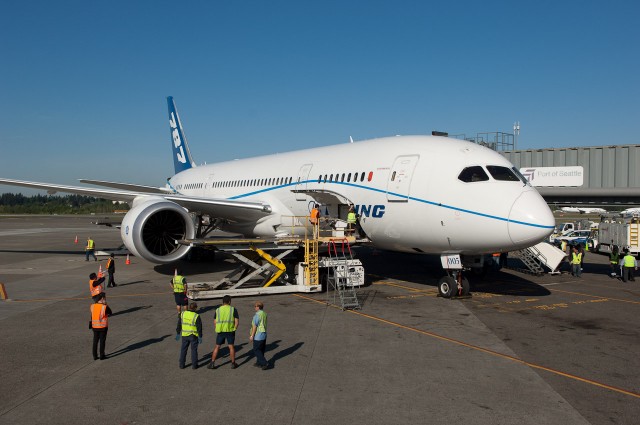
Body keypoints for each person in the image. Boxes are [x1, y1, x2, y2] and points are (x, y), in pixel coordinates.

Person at [207, 295, 239, 370]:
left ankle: (212, 362)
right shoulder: (233, 309)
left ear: (223, 301)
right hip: (230, 330)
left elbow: (215, 321)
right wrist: (234, 329)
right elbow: (236, 322)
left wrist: (217, 328)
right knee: (231, 346)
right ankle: (233, 363)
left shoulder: (218, 310)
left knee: (217, 346)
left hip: (220, 331)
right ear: (230, 301)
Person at [176, 302, 202, 369]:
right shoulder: (196, 316)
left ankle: (181, 365)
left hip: (184, 335)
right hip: (193, 335)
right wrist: (200, 336)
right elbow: (199, 327)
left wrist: (178, 332)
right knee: (194, 350)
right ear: (195, 308)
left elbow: (179, 324)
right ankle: (194, 365)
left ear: (190, 307)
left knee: (183, 350)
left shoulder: (183, 314)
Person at [90, 293, 112, 360]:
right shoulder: (104, 307)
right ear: (102, 298)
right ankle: (102, 355)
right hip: (102, 327)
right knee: (102, 341)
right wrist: (105, 304)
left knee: (95, 341)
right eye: (105, 298)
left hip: (94, 326)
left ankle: (94, 355)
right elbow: (110, 312)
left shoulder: (92, 306)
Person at [249, 301, 269, 370]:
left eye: (255, 306)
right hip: (264, 334)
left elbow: (255, 326)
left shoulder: (257, 315)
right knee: (261, 349)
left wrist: (252, 335)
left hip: (258, 335)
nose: (254, 307)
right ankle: (259, 362)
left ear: (258, 307)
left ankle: (264, 362)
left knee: (256, 350)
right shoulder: (264, 314)